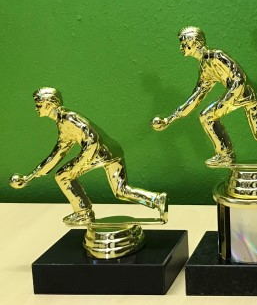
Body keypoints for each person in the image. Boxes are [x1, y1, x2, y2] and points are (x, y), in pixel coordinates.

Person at [152, 27, 257, 167]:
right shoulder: (205, 68)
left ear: (195, 42)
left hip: (247, 93)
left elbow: (239, 79)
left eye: (184, 43)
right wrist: (170, 118)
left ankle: (226, 154)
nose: (181, 47)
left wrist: (224, 103)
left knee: (209, 117)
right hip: (241, 95)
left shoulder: (216, 56)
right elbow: (196, 97)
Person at [10, 88, 167, 225]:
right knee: (121, 191)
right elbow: (58, 153)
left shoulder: (68, 118)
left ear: (50, 104)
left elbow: (92, 140)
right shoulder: (63, 123)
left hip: (99, 153)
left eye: (38, 104)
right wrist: (34, 174)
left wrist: (79, 166)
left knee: (63, 176)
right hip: (111, 151)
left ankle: (83, 213)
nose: (36, 108)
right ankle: (157, 199)